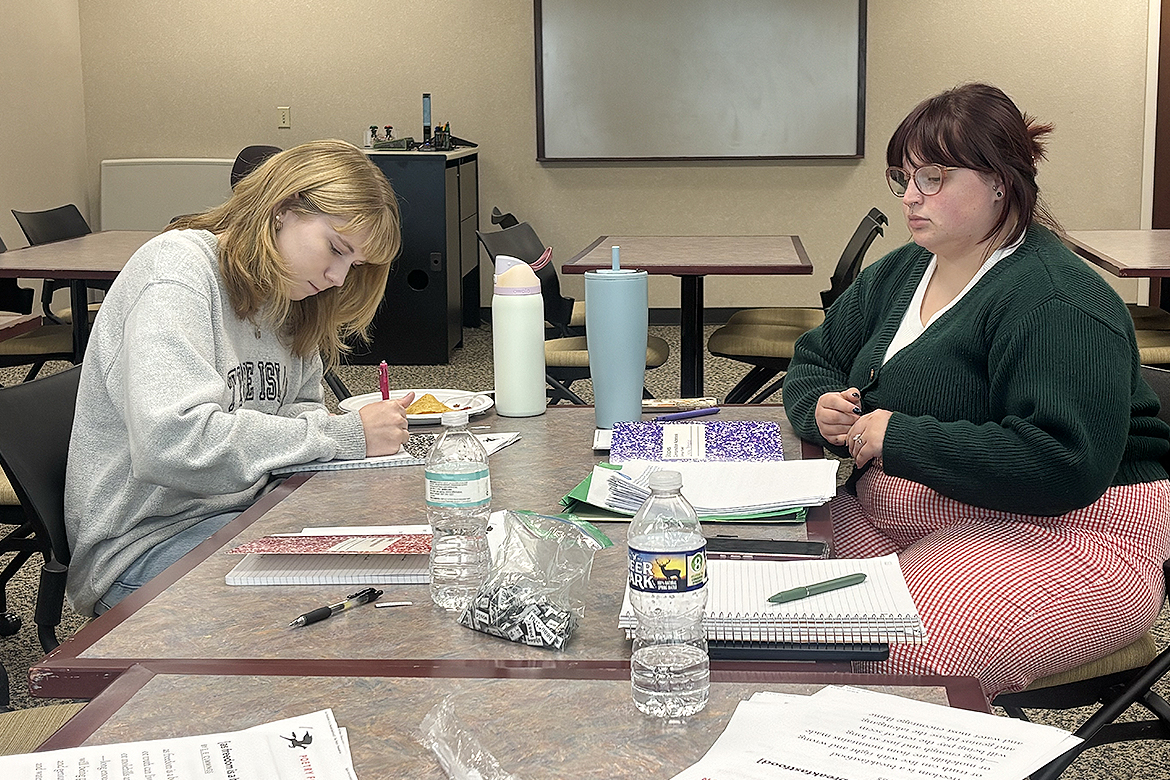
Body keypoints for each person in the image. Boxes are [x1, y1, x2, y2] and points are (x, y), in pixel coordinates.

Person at [783, 83, 1170, 699]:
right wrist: (819, 407)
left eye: (933, 177)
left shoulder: (1055, 299)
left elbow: (1065, 462)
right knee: (740, 582)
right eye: (903, 177)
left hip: (1071, 531)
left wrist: (899, 434)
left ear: (1000, 181)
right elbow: (814, 358)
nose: (911, 196)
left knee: (847, 651)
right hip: (910, 507)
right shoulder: (906, 268)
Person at [65, 139, 416, 617]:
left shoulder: (292, 294)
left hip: (247, 513)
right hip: (146, 545)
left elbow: (301, 416)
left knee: (399, 572)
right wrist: (347, 433)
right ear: (283, 208)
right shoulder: (177, 270)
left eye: (353, 265)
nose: (338, 276)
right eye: (335, 249)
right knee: (340, 611)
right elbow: (173, 443)